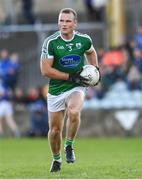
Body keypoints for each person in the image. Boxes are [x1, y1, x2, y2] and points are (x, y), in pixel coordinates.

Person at [40, 8, 100, 172]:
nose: (64, 24)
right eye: (61, 20)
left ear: (75, 23)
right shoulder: (51, 42)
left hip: (77, 85)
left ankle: (69, 145)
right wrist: (70, 76)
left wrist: (95, 70)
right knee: (54, 130)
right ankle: (56, 159)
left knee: (74, 112)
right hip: (57, 88)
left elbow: (91, 52)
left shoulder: (84, 40)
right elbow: (45, 71)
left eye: (67, 21)